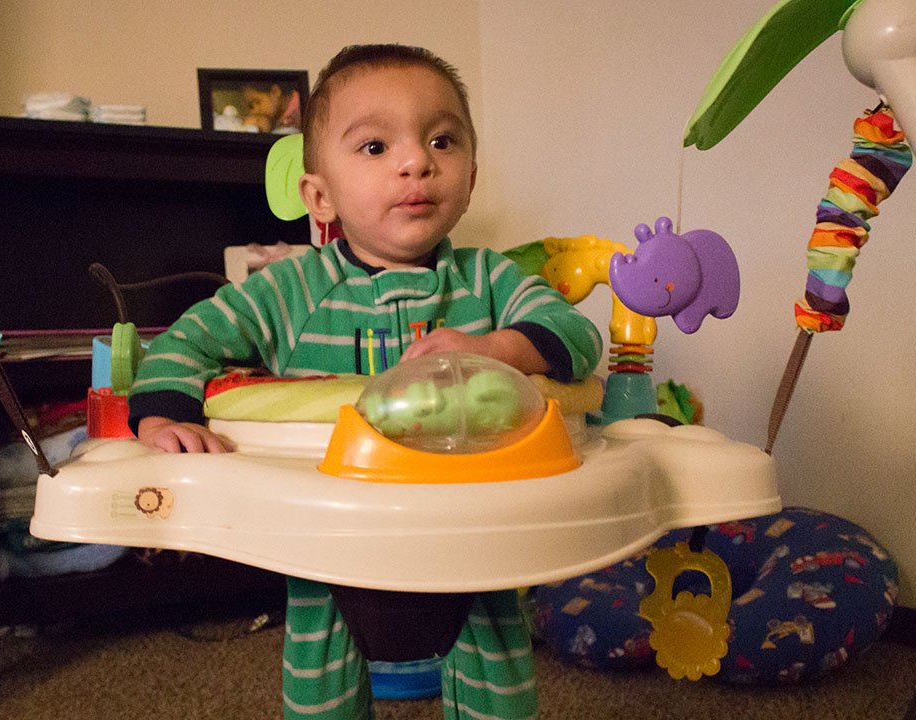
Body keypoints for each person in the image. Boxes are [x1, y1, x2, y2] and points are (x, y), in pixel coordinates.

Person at [128, 43, 602, 720]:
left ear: (470, 179)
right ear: (320, 196)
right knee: (320, 667)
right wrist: (160, 417)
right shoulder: (290, 288)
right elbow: (186, 341)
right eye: (376, 147)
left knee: (494, 653)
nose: (416, 161)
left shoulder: (487, 279)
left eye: (442, 140)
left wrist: (499, 348)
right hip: (330, 532)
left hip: (472, 526)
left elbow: (579, 338)